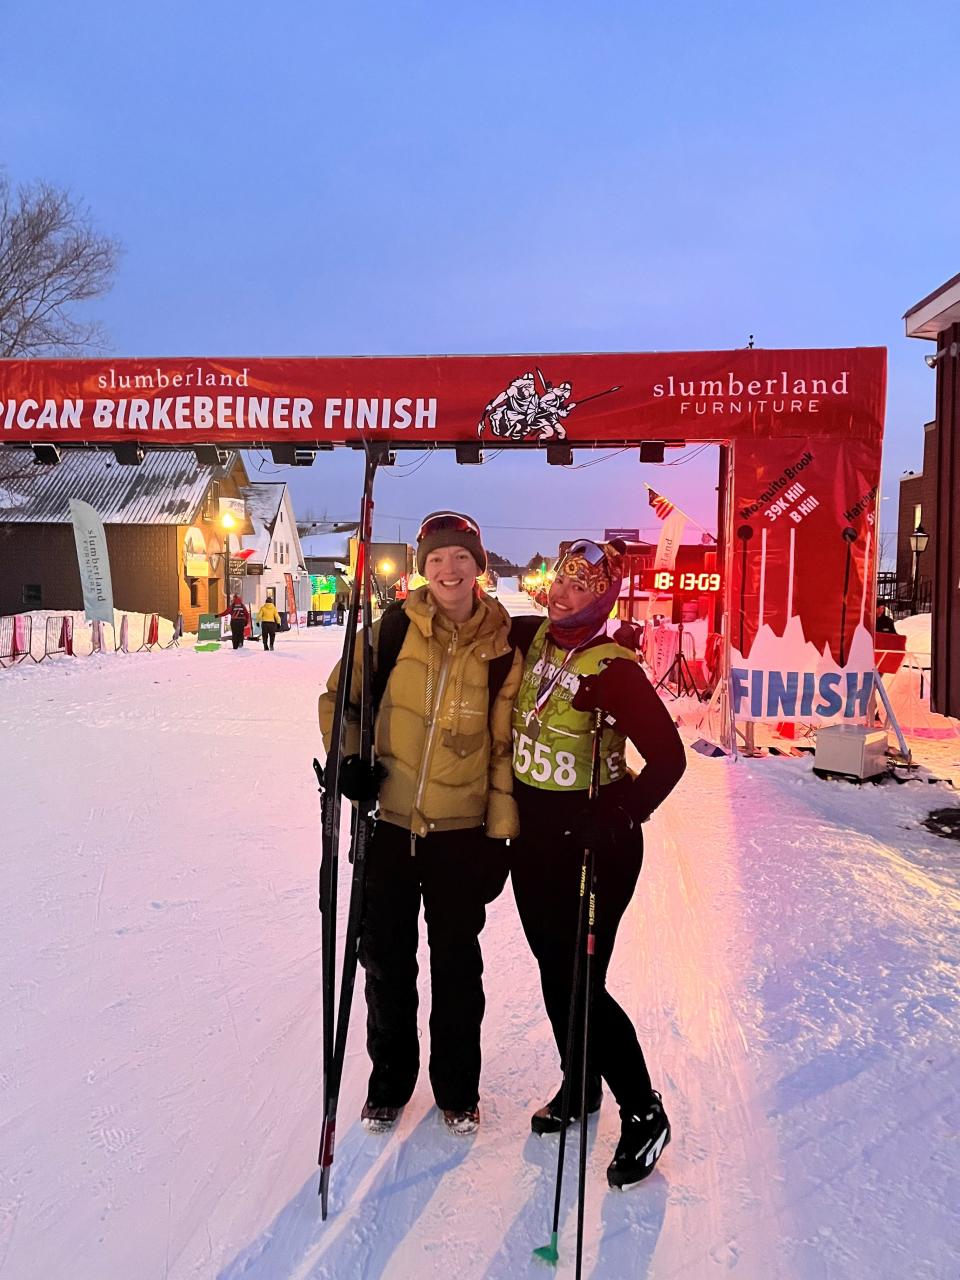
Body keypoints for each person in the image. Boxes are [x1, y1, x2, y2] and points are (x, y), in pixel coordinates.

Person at [318, 511, 521, 1137]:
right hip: (390, 824)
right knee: (385, 962)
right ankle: (390, 1082)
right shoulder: (389, 630)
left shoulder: (504, 646)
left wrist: (499, 834)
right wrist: (348, 762)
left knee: (458, 967)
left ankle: (458, 1087)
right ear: (421, 569)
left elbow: (503, 750)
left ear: (478, 566)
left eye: (460, 557)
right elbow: (339, 702)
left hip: (460, 835)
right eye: (436, 560)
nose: (448, 570)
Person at [508, 537, 686, 1189]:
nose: (564, 592)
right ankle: (580, 1085)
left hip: (594, 841)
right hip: (532, 837)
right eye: (561, 579)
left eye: (583, 585)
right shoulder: (531, 639)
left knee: (580, 977)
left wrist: (616, 814)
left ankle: (643, 1111)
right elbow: (463, 615)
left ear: (606, 594)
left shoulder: (616, 668)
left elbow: (669, 760)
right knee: (555, 971)